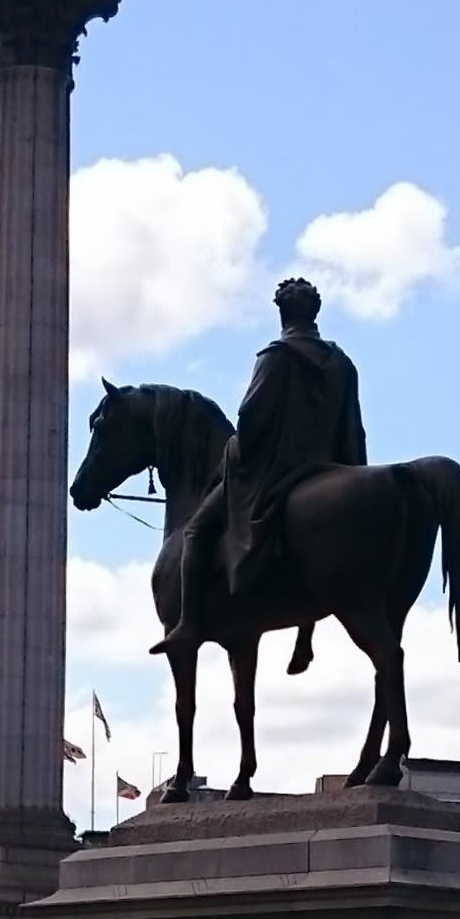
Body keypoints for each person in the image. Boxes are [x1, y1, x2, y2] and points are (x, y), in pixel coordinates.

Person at [151, 277, 366, 658]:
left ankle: (187, 625)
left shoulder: (277, 356)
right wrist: (353, 473)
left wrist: (230, 455)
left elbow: (250, 419)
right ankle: (306, 637)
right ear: (314, 312)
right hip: (329, 469)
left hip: (274, 473)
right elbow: (353, 426)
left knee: (196, 531)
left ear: (281, 312)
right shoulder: (343, 364)